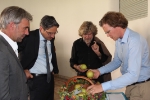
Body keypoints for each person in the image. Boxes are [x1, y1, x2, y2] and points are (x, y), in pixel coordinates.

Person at [87, 11, 150, 100]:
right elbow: (117, 61)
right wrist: (99, 71)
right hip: (130, 85)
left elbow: (132, 75)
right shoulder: (119, 40)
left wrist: (102, 87)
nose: (107, 35)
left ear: (118, 26)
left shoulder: (135, 41)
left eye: (108, 32)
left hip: (141, 86)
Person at [18, 15, 59, 100]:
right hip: (35, 80)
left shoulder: (51, 38)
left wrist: (54, 68)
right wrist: (22, 69)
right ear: (41, 28)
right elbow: (13, 52)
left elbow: (51, 54)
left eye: (55, 33)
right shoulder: (29, 37)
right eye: (50, 33)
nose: (53, 36)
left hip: (49, 78)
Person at [0, 6, 32, 100]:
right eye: (25, 28)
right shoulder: (1, 50)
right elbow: (2, 95)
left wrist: (21, 74)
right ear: (12, 25)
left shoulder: (8, 45)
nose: (27, 33)